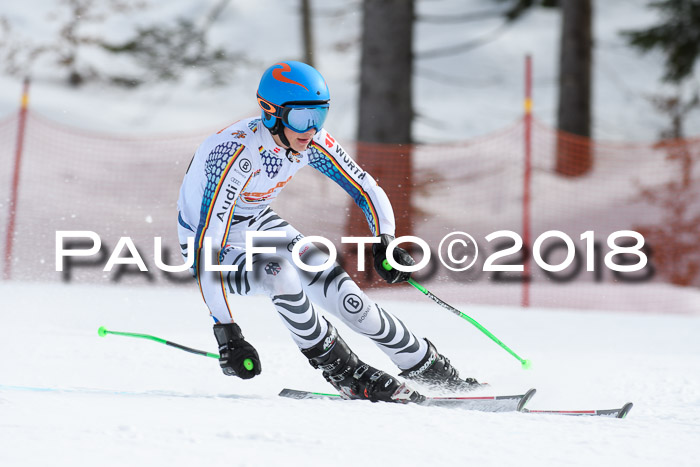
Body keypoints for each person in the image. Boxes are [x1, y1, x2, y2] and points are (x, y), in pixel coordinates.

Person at [177, 61, 478, 403]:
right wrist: (227, 332)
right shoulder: (237, 154)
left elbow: (365, 188)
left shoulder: (309, 140)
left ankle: (432, 370)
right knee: (281, 274)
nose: (312, 129)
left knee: (348, 298)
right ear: (271, 113)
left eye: (319, 116)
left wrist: (385, 241)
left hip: (256, 222)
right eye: (302, 118)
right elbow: (207, 246)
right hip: (207, 242)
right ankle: (344, 371)